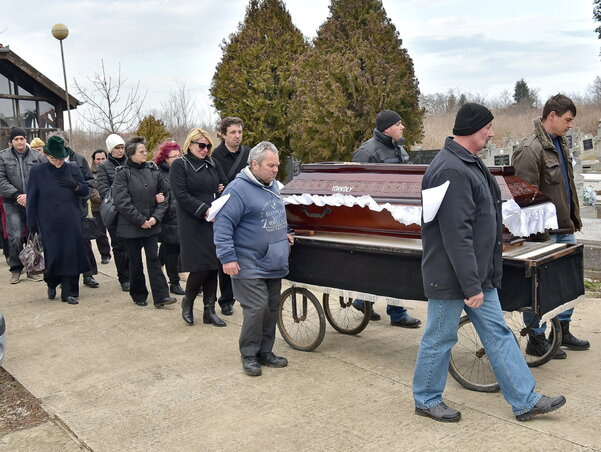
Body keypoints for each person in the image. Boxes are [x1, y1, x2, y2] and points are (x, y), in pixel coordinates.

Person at [413, 103, 566, 422]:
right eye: (488, 128)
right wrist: (471, 285)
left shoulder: (466, 162)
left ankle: (525, 400)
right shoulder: (450, 169)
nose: (492, 132)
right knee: (440, 337)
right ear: (472, 129)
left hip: (475, 274)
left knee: (498, 334)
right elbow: (457, 235)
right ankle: (426, 398)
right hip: (453, 276)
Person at [512, 94, 589, 358]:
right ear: (552, 116)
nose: (571, 125)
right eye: (567, 120)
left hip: (564, 229)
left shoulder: (559, 143)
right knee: (541, 289)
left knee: (567, 284)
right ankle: (536, 338)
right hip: (545, 234)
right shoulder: (530, 149)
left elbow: (565, 188)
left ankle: (562, 331)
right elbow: (524, 198)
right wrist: (537, 238)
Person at [214, 141, 294, 377]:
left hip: (273, 262)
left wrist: (285, 233)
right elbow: (223, 224)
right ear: (255, 164)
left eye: (277, 165)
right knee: (256, 308)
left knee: (271, 308)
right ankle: (248, 354)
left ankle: (265, 352)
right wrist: (227, 257)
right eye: (271, 165)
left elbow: (274, 213)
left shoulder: (273, 186)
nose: (275, 170)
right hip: (248, 262)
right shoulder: (237, 190)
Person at [351, 110, 421, 328]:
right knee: (380, 263)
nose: (402, 127)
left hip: (400, 215)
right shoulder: (367, 152)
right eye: (398, 124)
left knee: (396, 263)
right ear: (386, 128)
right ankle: (370, 302)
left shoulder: (399, 148)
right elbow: (358, 189)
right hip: (377, 219)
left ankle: (377, 305)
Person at [170, 128, 227, 327]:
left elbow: (224, 185)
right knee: (199, 266)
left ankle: (209, 310)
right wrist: (203, 210)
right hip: (192, 220)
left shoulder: (212, 163)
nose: (205, 149)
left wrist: (219, 193)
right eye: (201, 145)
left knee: (213, 265)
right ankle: (188, 301)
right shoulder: (180, 165)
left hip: (213, 218)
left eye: (208, 146)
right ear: (190, 144)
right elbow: (181, 194)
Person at [26, 136, 91, 305]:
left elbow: (85, 190)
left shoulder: (73, 169)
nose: (58, 162)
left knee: (71, 255)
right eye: (54, 158)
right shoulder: (37, 172)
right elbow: (32, 199)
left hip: (71, 219)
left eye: (61, 158)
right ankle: (52, 281)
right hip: (48, 222)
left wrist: (75, 185)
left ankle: (69, 292)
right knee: (54, 255)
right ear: (47, 155)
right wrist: (31, 222)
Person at [113, 136, 175, 309]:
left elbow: (164, 196)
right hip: (131, 227)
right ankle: (139, 294)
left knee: (153, 259)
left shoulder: (152, 171)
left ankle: (161, 296)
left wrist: (155, 217)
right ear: (131, 154)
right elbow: (122, 202)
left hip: (152, 225)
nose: (145, 154)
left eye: (146, 151)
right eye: (142, 151)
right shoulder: (123, 173)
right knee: (135, 262)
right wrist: (141, 221)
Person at [47, 131, 99, 289]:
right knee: (62, 245)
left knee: (83, 242)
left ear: (67, 143)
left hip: (78, 207)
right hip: (56, 210)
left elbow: (89, 181)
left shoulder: (78, 159)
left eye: (61, 142)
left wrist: (82, 194)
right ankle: (65, 277)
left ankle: (88, 274)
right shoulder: (47, 161)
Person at [211, 116, 251, 316]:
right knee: (226, 256)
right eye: (233, 132)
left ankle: (246, 295)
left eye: (240, 132)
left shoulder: (249, 153)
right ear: (223, 134)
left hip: (249, 210)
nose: (237, 136)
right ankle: (226, 299)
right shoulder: (215, 156)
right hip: (227, 210)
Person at [0, 127, 44, 283]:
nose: (19, 142)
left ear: (26, 139)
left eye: (22, 138)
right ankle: (16, 268)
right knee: (15, 236)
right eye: (16, 139)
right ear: (11, 141)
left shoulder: (37, 156)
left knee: (34, 235)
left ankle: (33, 267)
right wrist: (18, 195)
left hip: (33, 201)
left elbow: (44, 176)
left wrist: (30, 196)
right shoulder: (3, 157)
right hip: (12, 202)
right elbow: (1, 180)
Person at [97, 134, 130, 291]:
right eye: (117, 147)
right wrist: (121, 195)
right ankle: (123, 277)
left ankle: (133, 274)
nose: (120, 150)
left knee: (131, 246)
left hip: (132, 210)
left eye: (122, 147)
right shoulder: (104, 166)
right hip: (116, 212)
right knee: (118, 246)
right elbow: (103, 190)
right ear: (111, 149)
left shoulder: (130, 162)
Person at [153, 140, 184, 295]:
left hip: (180, 217)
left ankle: (157, 268)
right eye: (174, 156)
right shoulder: (159, 173)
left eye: (179, 155)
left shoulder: (182, 171)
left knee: (167, 248)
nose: (178, 159)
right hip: (168, 218)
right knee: (172, 249)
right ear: (165, 158)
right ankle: (174, 283)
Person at [90, 150, 112, 265]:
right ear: (94, 160)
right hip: (97, 208)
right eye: (98, 159)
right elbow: (92, 193)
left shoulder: (111, 170)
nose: (100, 161)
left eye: (103, 159)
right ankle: (105, 254)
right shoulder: (91, 174)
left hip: (113, 207)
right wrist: (109, 197)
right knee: (100, 233)